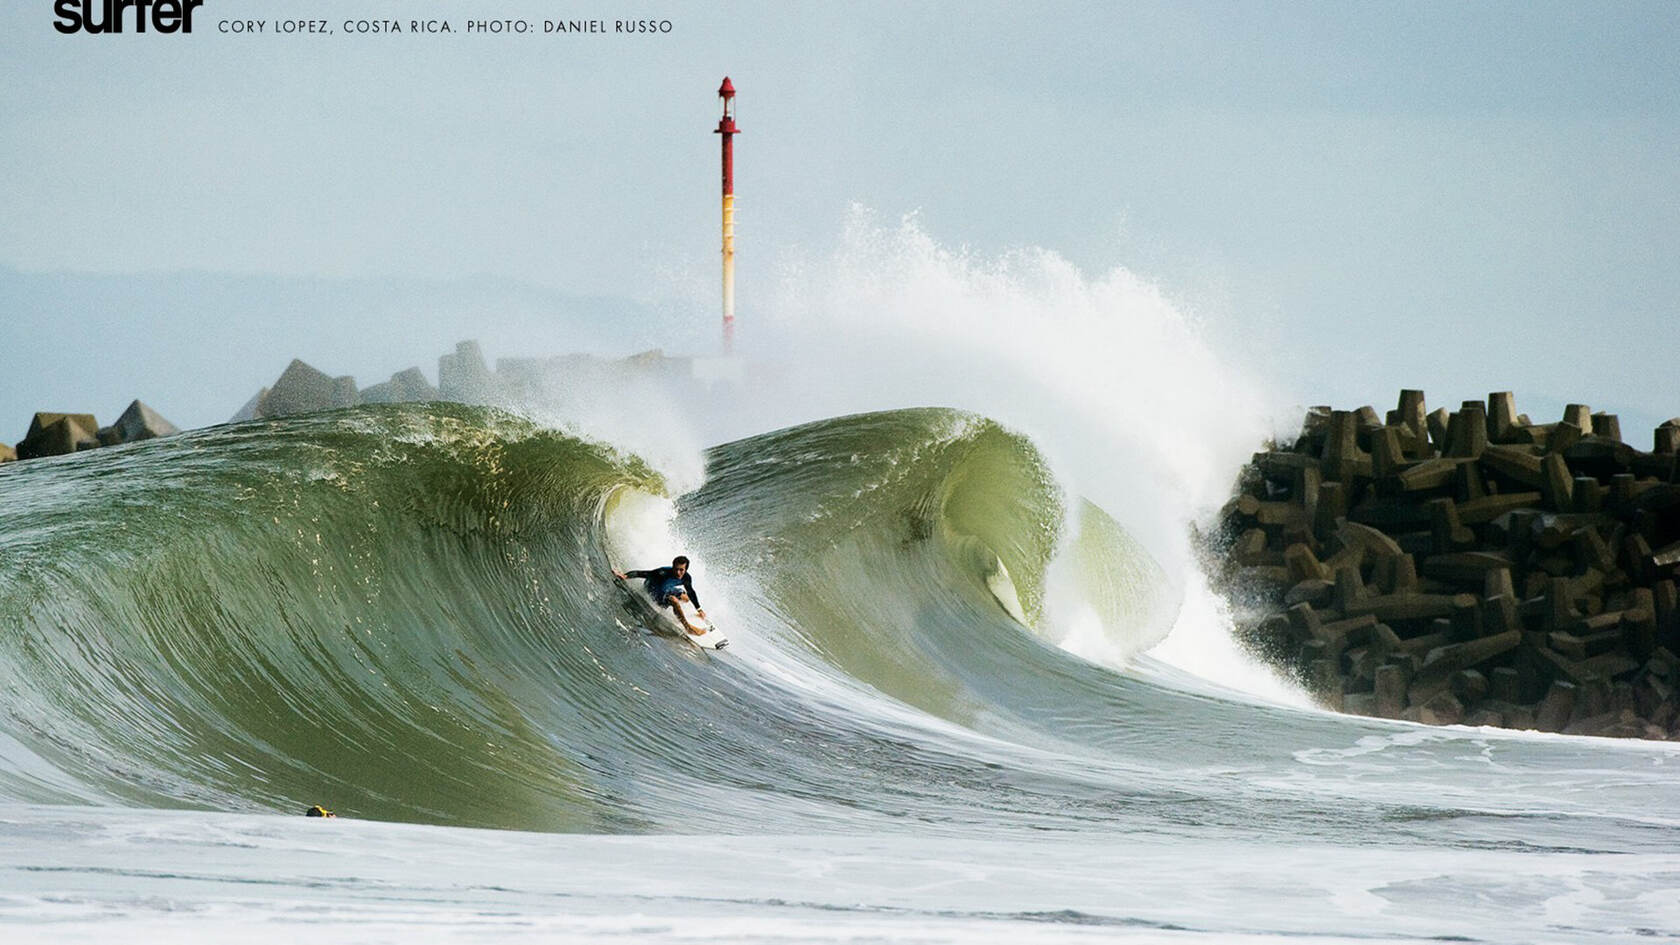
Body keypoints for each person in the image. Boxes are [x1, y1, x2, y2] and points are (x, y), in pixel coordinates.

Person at [614, 556, 707, 635]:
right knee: (674, 600)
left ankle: (679, 610)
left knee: (686, 597)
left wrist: (699, 609)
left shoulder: (686, 577)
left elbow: (691, 592)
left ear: (686, 569)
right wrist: (625, 576)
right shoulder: (662, 572)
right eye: (676, 569)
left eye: (681, 570)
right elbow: (641, 573)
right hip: (654, 591)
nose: (678, 572)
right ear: (672, 566)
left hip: (667, 589)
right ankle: (688, 627)